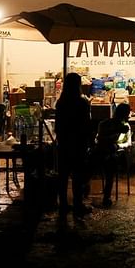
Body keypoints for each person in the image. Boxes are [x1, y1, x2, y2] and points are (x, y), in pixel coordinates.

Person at [55, 72, 93, 218]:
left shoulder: (61, 102)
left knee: (63, 176)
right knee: (78, 176)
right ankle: (77, 205)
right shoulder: (82, 102)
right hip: (78, 144)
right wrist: (89, 142)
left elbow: (58, 125)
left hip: (64, 143)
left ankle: (63, 204)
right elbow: (86, 125)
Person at [93, 103, 132, 207]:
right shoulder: (119, 126)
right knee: (110, 163)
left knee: (109, 160)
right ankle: (106, 197)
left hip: (101, 152)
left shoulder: (106, 123)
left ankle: (105, 196)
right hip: (105, 151)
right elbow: (102, 139)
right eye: (127, 113)